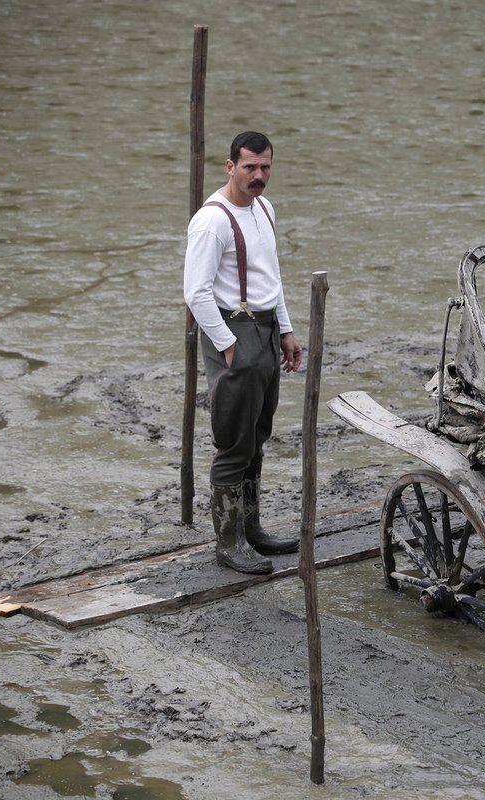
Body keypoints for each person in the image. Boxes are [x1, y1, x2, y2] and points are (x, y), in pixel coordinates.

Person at [184, 131, 303, 574]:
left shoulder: (265, 209)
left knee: (258, 435)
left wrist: (286, 330)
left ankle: (252, 531)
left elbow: (271, 277)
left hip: (266, 327)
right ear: (229, 166)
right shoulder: (212, 221)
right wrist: (228, 343)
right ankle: (228, 543)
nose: (259, 176)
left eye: (266, 167)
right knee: (234, 441)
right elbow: (195, 294)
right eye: (250, 167)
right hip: (233, 328)